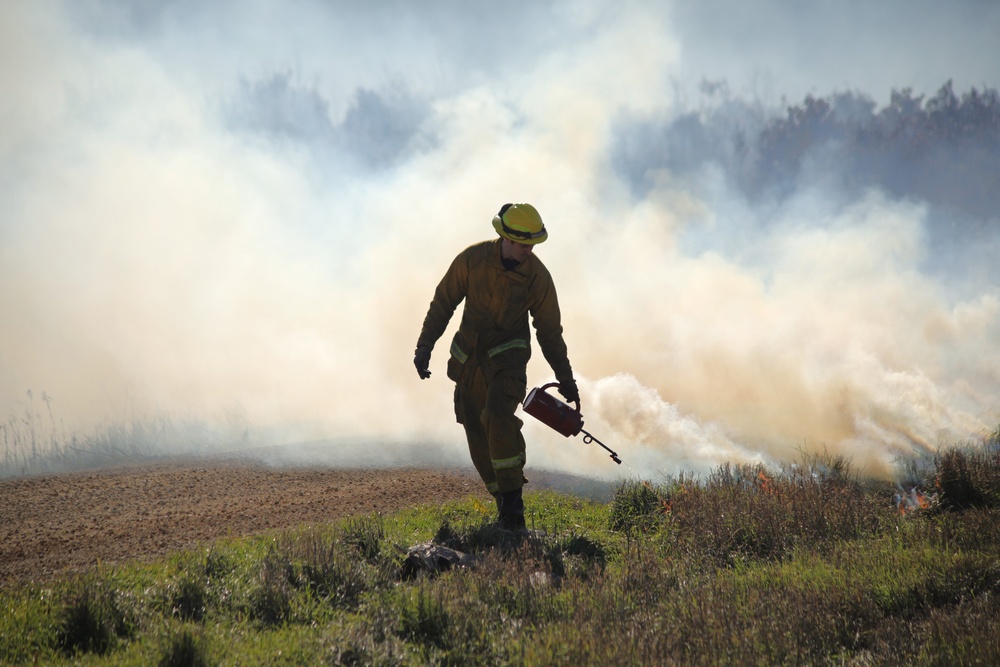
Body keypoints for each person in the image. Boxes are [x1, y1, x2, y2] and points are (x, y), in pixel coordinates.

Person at [413, 202, 579, 531]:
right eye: (523, 245)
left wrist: (566, 378)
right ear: (506, 237)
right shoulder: (472, 260)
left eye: (533, 245)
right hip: (469, 363)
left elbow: (549, 331)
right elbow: (443, 301)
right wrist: (424, 346)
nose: (529, 251)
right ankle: (502, 500)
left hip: (509, 364)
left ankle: (514, 502)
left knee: (499, 417)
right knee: (476, 431)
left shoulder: (537, 278)